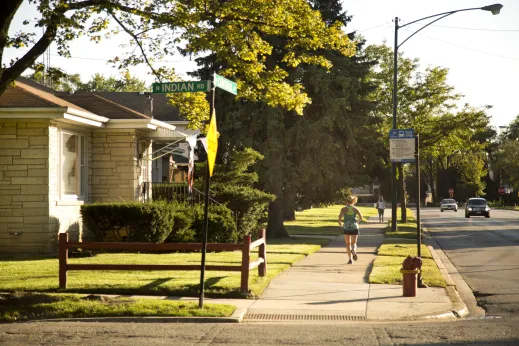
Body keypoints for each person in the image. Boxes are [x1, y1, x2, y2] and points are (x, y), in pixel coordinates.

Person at [338, 195, 364, 264]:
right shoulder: (355, 209)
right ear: (353, 201)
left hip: (346, 227)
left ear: (346, 201)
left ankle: (350, 259)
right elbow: (361, 217)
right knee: (354, 243)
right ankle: (354, 251)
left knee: (347, 244)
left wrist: (340, 223)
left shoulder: (343, 209)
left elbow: (339, 217)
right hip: (354, 227)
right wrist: (357, 222)